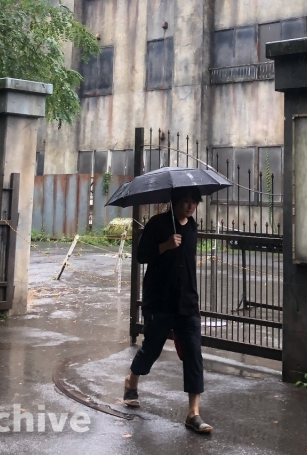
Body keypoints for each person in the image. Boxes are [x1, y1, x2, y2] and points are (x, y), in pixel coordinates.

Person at [123, 186, 212, 434]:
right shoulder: (157, 224)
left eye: (194, 202)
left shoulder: (192, 227)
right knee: (151, 349)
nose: (190, 206)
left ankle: (193, 413)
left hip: (187, 303)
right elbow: (141, 256)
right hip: (160, 300)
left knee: (194, 354)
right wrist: (164, 245)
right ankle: (131, 381)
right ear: (174, 202)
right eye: (185, 201)